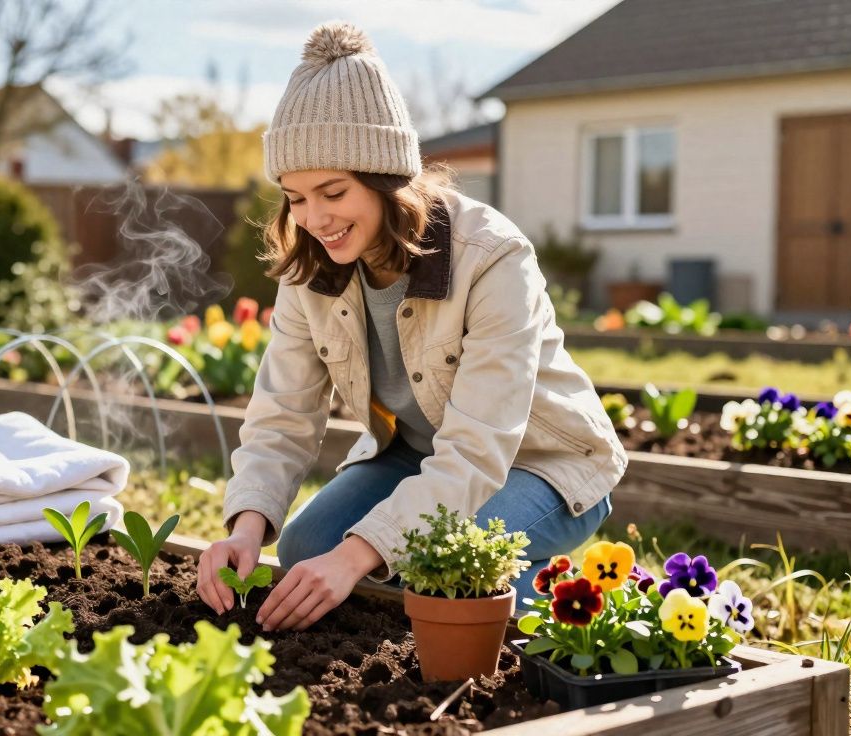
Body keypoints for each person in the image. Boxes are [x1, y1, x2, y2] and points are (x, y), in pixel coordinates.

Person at [195, 21, 628, 633]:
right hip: (416, 457)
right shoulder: (310, 271)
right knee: (304, 549)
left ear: (384, 178)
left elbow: (479, 448)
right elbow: (282, 415)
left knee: (444, 568)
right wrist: (245, 529)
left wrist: (358, 557)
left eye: (332, 191)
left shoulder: (492, 258)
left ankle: (570, 612)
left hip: (543, 466)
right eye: (294, 197)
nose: (314, 218)